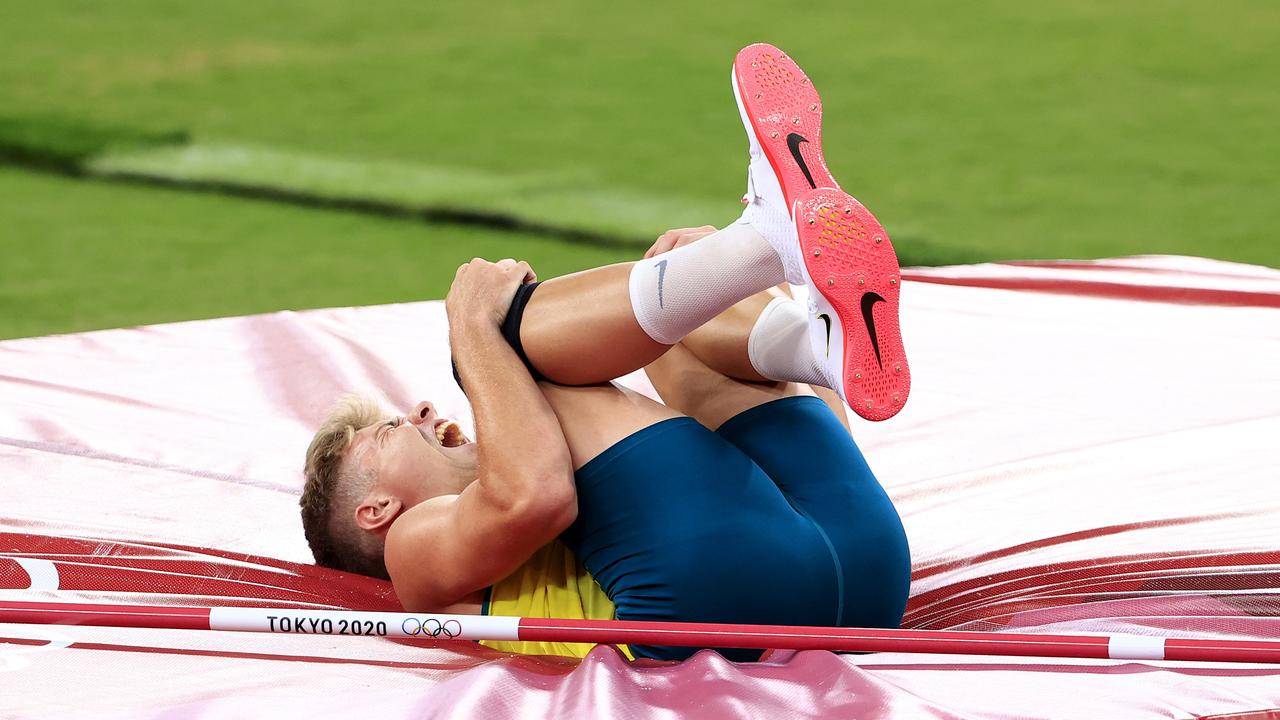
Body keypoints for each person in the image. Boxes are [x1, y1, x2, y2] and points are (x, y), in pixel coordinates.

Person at [300, 43, 911, 661]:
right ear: (376, 510)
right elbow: (535, 498)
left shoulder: (573, 493)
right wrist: (469, 331)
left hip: (855, 565)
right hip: (729, 595)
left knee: (677, 313)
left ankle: (809, 334)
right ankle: (764, 251)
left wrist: (735, 313)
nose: (423, 411)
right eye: (389, 431)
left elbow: (813, 442)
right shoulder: (413, 551)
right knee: (510, 345)